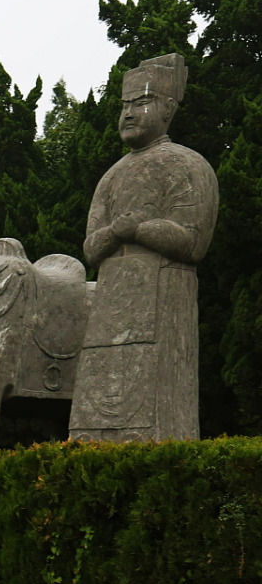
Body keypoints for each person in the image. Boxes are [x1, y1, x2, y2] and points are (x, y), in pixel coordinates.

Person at [69, 53, 219, 443]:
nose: (129, 114)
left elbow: (193, 241)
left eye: (142, 103)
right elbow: (90, 248)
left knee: (156, 408)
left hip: (164, 297)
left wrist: (138, 227)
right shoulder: (112, 176)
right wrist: (117, 232)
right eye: (124, 106)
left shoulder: (188, 165)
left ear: (167, 109)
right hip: (109, 306)